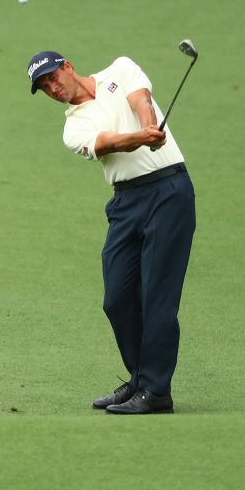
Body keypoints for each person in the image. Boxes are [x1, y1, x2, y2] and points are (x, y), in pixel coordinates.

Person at [26, 50, 195, 414]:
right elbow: (107, 144)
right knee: (116, 298)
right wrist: (139, 137)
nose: (53, 88)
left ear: (68, 67)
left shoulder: (121, 68)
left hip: (169, 191)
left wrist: (151, 129)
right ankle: (140, 379)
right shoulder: (73, 127)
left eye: (54, 78)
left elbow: (141, 99)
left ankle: (156, 391)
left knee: (157, 296)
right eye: (45, 88)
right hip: (126, 202)